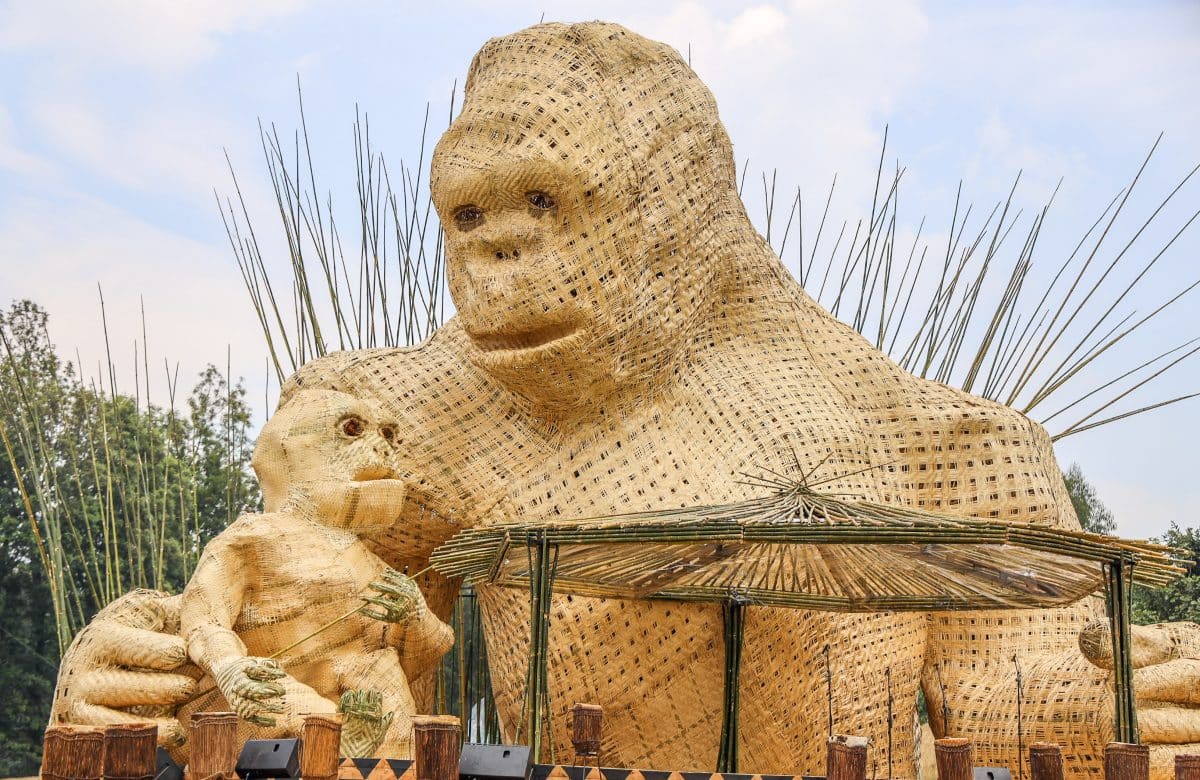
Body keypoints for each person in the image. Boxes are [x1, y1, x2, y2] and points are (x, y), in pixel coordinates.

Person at [50, 21, 1200, 777]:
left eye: (545, 201)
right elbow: (289, 615)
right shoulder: (405, 415)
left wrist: (1118, 695)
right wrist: (143, 669)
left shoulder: (945, 444)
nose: (497, 252)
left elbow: (1025, 692)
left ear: (674, 204)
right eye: (470, 214)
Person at [177, 388, 454, 759]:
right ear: (292, 448)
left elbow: (421, 655)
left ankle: (359, 747)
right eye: (353, 428)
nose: (383, 447)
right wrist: (228, 665)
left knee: (383, 679)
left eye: (388, 435)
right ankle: (335, 739)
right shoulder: (253, 537)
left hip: (380, 725)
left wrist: (415, 616)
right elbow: (204, 618)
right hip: (275, 718)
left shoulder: (366, 561)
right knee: (285, 700)